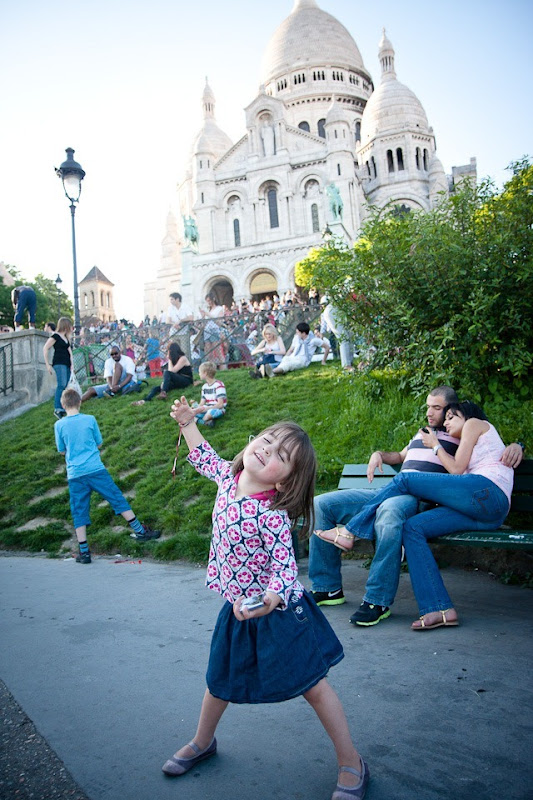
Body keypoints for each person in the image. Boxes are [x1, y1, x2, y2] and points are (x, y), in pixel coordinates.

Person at [162, 403, 369, 800]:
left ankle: (352, 762)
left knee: (314, 686)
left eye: (280, 455)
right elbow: (204, 455)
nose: (267, 450)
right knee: (218, 681)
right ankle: (203, 742)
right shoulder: (229, 477)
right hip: (237, 609)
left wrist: (271, 598)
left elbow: (285, 569)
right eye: (268, 440)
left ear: (288, 481)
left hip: (280, 614)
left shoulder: (271, 514)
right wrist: (187, 423)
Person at [309, 385, 524, 626]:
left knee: (397, 496)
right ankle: (437, 609)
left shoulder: (462, 432)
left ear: (454, 410)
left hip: (436, 494)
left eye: (440, 409)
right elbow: (401, 456)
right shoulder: (426, 433)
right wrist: (379, 454)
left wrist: (517, 445)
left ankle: (371, 587)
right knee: (327, 505)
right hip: (467, 506)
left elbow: (473, 457)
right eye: (428, 407)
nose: (431, 414)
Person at [54, 388, 161, 563]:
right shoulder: (90, 419)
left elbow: (61, 450)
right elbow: (99, 443)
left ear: (63, 405)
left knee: (78, 510)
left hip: (75, 474)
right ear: (80, 402)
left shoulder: (59, 425)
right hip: (96, 469)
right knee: (116, 497)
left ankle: (84, 552)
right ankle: (140, 531)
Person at [265, 322, 330, 376]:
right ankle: (271, 373)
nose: (296, 334)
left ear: (303, 333)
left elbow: (327, 347)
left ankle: (272, 372)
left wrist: (323, 361)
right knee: (285, 360)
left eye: (298, 332)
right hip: (293, 356)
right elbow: (291, 350)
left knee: (289, 365)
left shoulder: (313, 340)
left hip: (302, 360)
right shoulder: (296, 338)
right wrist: (285, 357)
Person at [43, 317, 73, 420]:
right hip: (59, 363)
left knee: (66, 385)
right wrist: (47, 364)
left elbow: (70, 353)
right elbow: (45, 348)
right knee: (61, 384)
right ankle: (57, 408)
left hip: (67, 363)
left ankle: (64, 406)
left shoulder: (66, 338)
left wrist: (72, 364)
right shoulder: (55, 336)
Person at [193, 361, 227, 426]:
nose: (199, 374)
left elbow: (220, 404)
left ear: (205, 373)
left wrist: (207, 408)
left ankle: (201, 420)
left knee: (208, 415)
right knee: (190, 415)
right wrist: (196, 408)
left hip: (217, 408)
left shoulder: (219, 385)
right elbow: (202, 403)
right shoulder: (204, 387)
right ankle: (205, 422)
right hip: (206, 407)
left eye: (200, 372)